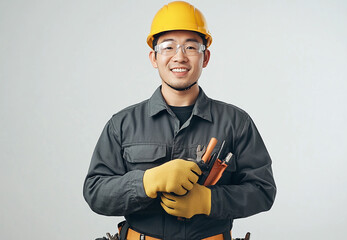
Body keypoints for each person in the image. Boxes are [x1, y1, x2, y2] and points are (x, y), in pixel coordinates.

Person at [83, 1, 276, 239]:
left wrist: (208, 201)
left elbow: (263, 191)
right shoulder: (122, 124)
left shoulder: (236, 122)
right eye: (168, 47)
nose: (180, 57)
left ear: (205, 58)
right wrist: (147, 182)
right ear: (154, 58)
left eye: (191, 47)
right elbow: (95, 193)